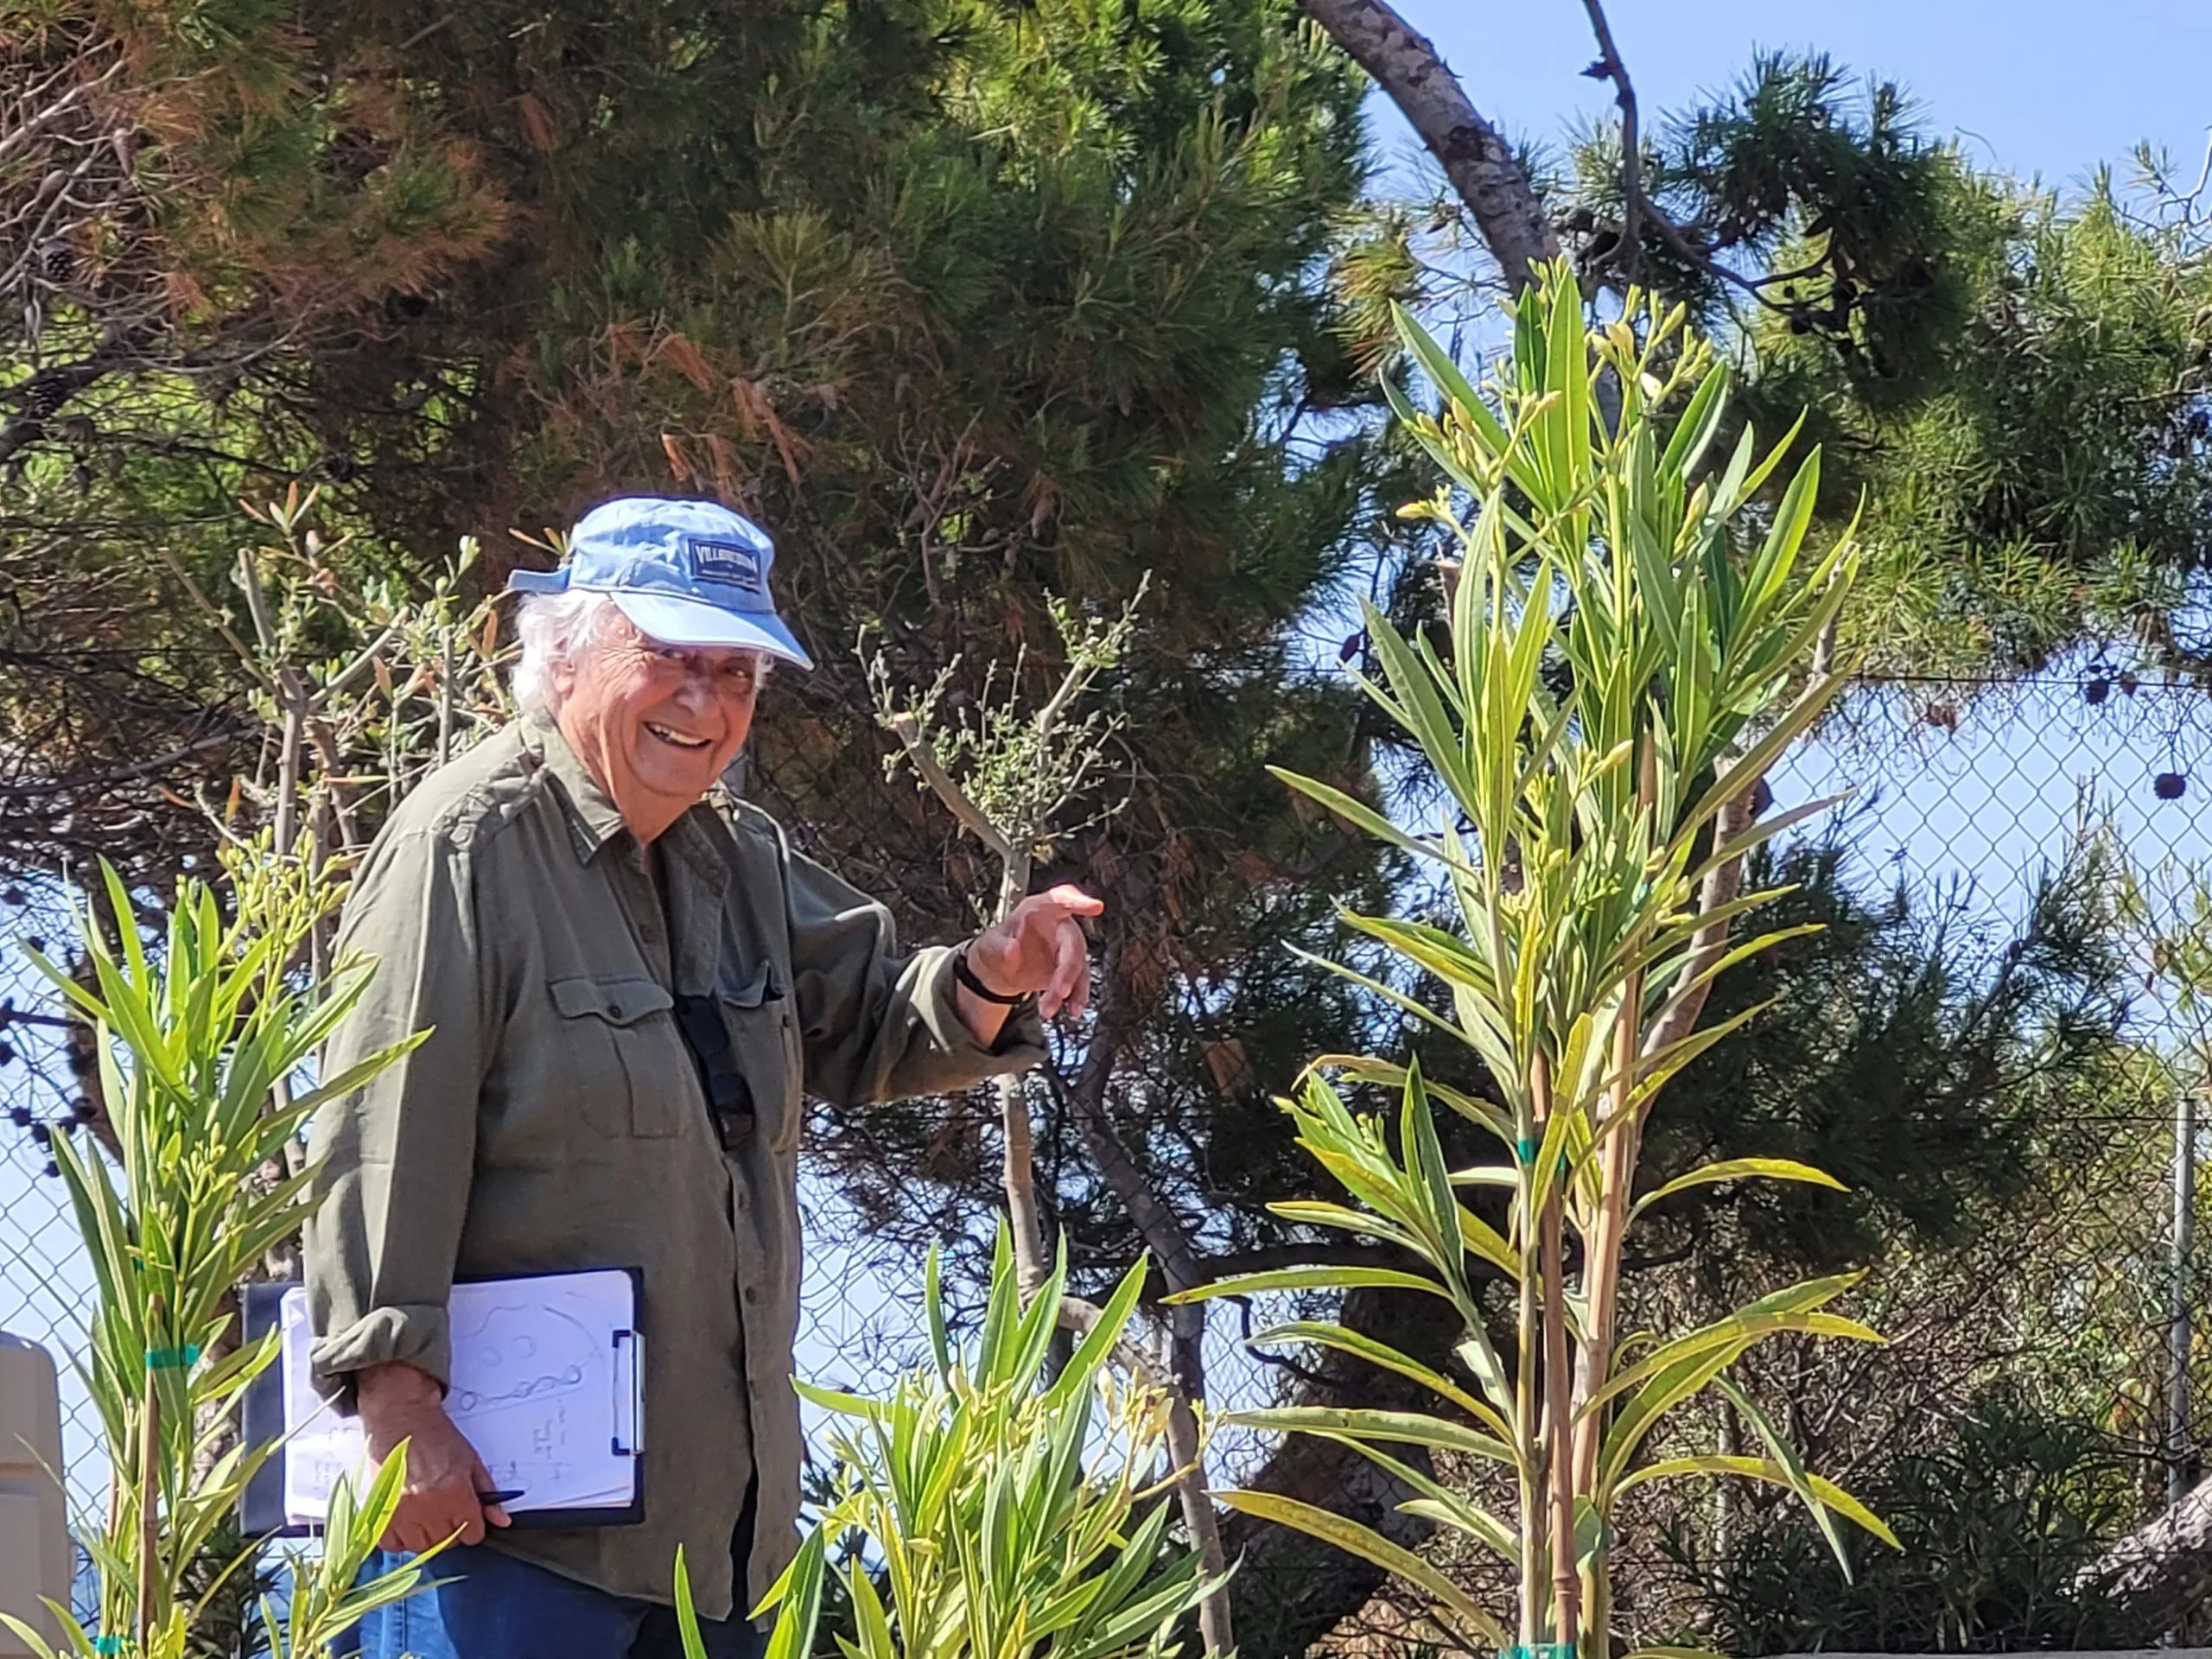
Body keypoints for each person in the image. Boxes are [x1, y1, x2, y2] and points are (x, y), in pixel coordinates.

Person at [305, 497, 1100, 1659]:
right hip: (506, 1546)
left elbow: (872, 1026)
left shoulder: (741, 857)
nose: (707, 703)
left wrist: (993, 970)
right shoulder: (460, 849)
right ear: (565, 651)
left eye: (736, 673)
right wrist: (395, 1402)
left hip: (718, 1551)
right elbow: (385, 1134)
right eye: (670, 659)